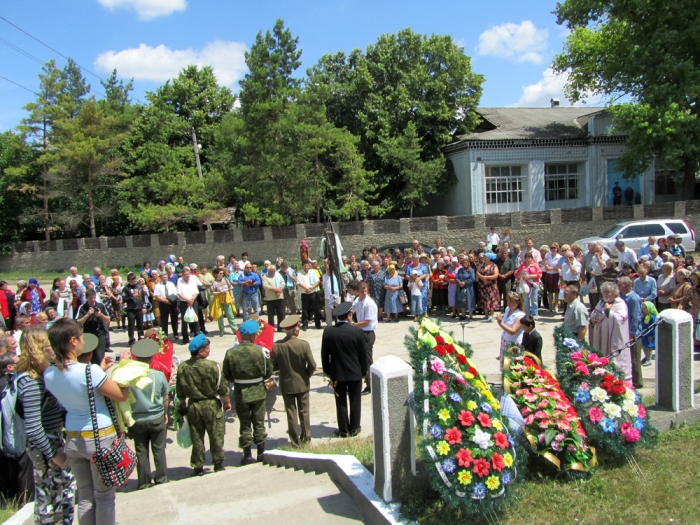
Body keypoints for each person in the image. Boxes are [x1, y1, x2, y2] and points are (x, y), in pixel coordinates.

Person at [44, 318, 130, 525]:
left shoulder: (49, 374)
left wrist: (100, 370)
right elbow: (120, 395)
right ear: (73, 341)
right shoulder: (88, 371)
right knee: (104, 496)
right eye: (81, 337)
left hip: (73, 437)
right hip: (99, 437)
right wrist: (126, 367)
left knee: (85, 496)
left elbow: (79, 387)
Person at [176, 334, 230, 476]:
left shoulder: (183, 368)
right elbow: (222, 388)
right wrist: (227, 402)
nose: (209, 350)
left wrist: (182, 407)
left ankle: (198, 466)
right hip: (211, 405)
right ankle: (218, 463)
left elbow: (180, 392)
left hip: (193, 406)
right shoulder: (213, 366)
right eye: (207, 348)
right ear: (200, 351)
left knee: (197, 437)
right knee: (216, 435)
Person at [222, 321, 271, 465]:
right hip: (258, 391)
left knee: (244, 424)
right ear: (251, 335)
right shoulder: (261, 351)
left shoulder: (230, 353)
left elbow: (227, 374)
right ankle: (261, 453)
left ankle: (247, 455)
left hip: (240, 392)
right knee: (259, 422)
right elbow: (268, 373)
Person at [127, 339, 169, 490]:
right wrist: (165, 414)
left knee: (141, 451)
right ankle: (162, 477)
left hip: (137, 419)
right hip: (156, 417)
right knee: (159, 449)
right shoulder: (158, 375)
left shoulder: (129, 377)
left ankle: (144, 482)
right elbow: (165, 398)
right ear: (151, 358)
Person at [321, 302, 367, 438]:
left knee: (340, 401)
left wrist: (328, 371)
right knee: (355, 401)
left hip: (337, 372)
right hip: (355, 372)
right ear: (349, 316)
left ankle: (343, 430)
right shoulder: (357, 332)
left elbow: (325, 355)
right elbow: (362, 355)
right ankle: (354, 428)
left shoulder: (329, 332)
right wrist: (364, 371)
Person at [272, 316, 317, 447]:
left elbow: (273, 367)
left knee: (291, 413)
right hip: (302, 383)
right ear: (296, 330)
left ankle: (295, 441)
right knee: (304, 412)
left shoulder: (277, 346)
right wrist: (306, 375)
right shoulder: (303, 345)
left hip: (286, 384)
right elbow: (313, 365)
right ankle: (306, 437)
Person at [589, 282, 632, 380]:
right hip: (599, 340)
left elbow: (620, 320)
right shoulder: (601, 303)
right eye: (604, 292)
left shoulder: (620, 304)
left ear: (614, 293)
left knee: (613, 364)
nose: (605, 294)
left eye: (608, 292)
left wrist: (609, 311)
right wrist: (592, 320)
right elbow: (594, 314)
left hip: (613, 341)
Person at [618, 276, 644, 389]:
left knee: (634, 358)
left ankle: (638, 382)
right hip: (624, 332)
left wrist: (631, 333)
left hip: (633, 333)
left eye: (620, 285)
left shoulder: (633, 298)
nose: (618, 287)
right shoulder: (621, 297)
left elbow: (636, 317)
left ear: (628, 285)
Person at [352, 282, 377, 394]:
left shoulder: (369, 303)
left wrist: (353, 325)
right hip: (360, 332)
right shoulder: (357, 300)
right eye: (362, 291)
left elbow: (367, 322)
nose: (364, 292)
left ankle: (371, 385)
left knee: (367, 360)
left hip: (367, 334)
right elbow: (350, 309)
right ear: (358, 291)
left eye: (365, 290)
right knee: (359, 359)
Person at [76, 290, 111, 365]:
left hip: (100, 333)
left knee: (99, 355)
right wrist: (87, 314)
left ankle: (101, 369)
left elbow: (108, 319)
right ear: (86, 298)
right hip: (88, 334)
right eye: (90, 298)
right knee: (91, 356)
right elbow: (79, 322)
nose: (93, 300)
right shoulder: (82, 307)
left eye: (94, 297)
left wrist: (100, 315)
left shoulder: (100, 305)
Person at [494, 292, 525, 368]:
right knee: (504, 366)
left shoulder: (520, 315)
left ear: (518, 303)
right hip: (504, 340)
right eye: (508, 301)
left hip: (513, 343)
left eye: (512, 302)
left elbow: (512, 331)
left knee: (512, 366)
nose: (509, 303)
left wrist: (500, 323)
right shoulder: (508, 309)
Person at [177, 266, 202, 345]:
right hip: (184, 302)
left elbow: (196, 291)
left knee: (195, 319)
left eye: (188, 274)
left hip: (193, 301)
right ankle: (185, 338)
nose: (187, 276)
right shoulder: (179, 281)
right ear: (183, 275)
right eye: (185, 274)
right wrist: (187, 300)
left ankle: (197, 336)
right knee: (184, 320)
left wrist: (191, 300)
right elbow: (179, 293)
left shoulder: (193, 280)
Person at [209, 268, 237, 336]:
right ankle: (221, 330)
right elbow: (212, 292)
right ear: (216, 274)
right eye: (220, 273)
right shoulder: (213, 282)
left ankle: (235, 330)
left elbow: (230, 288)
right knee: (220, 316)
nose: (222, 274)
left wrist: (232, 297)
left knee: (230, 315)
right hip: (218, 300)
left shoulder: (225, 279)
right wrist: (219, 292)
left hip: (227, 299)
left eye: (222, 273)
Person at [514, 252, 542, 319]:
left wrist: (529, 276)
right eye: (526, 258)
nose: (528, 259)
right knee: (525, 300)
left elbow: (539, 275)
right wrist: (520, 273)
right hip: (524, 285)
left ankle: (535, 314)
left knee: (534, 300)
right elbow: (516, 274)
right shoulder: (522, 266)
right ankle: (527, 314)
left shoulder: (535, 265)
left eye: (529, 258)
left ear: (532, 258)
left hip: (533, 285)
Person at [121, 272, 146, 346]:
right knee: (131, 325)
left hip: (139, 308)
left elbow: (143, 298)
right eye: (132, 280)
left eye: (134, 280)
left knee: (140, 325)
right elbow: (124, 299)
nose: (133, 281)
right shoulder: (126, 289)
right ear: (129, 280)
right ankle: (131, 339)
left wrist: (144, 307)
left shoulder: (139, 287)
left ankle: (141, 337)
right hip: (130, 309)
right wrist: (132, 296)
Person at [297, 260, 322, 331]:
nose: (306, 267)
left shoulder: (313, 272)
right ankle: (305, 324)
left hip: (313, 293)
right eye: (305, 266)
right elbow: (299, 283)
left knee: (316, 309)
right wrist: (306, 288)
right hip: (305, 294)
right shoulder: (300, 273)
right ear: (302, 267)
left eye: (307, 266)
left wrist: (311, 288)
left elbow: (317, 281)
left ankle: (317, 324)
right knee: (305, 310)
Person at [262, 264, 286, 330]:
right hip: (270, 299)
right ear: (268, 271)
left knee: (281, 313)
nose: (273, 272)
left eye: (274, 271)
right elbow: (266, 286)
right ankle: (271, 328)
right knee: (271, 315)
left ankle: (281, 327)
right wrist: (276, 290)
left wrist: (279, 290)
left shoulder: (278, 275)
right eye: (271, 271)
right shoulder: (265, 277)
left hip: (279, 297)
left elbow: (283, 282)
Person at [476, 253, 500, 321]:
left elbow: (496, 275)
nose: (484, 258)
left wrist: (486, 277)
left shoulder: (494, 266)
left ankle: (491, 314)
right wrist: (483, 278)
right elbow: (477, 272)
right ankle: (486, 314)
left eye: (485, 257)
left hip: (491, 285)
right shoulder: (481, 264)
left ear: (489, 258)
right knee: (484, 299)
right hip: (482, 285)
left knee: (491, 299)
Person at [544, 243, 563, 313]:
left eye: (554, 248)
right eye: (551, 248)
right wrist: (546, 265)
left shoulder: (559, 257)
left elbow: (560, 267)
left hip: (556, 275)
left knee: (556, 291)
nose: (553, 249)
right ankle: (550, 307)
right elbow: (543, 262)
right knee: (550, 291)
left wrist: (551, 268)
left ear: (557, 248)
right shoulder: (548, 255)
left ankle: (556, 306)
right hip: (549, 274)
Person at [641, 301, 658, 367]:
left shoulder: (652, 317)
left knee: (649, 347)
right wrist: (642, 318)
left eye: (645, 309)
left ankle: (648, 359)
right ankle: (646, 357)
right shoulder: (645, 316)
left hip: (649, 334)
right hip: (644, 334)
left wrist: (651, 335)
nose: (644, 310)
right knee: (644, 346)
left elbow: (653, 327)